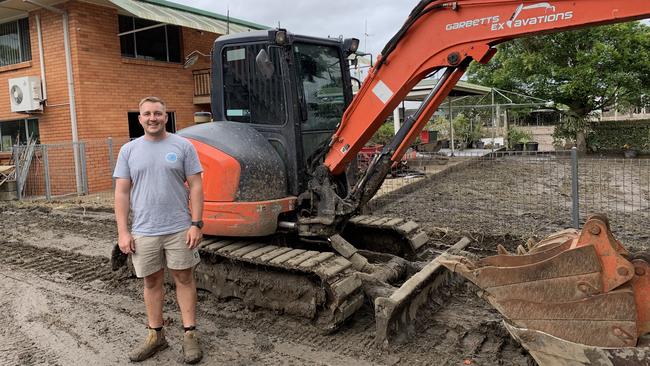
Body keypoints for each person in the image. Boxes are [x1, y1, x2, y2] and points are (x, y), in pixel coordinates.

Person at [114, 96, 204, 364]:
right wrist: (123, 231)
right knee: (151, 282)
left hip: (179, 228)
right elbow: (121, 193)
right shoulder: (128, 151)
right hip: (144, 230)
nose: (152, 118)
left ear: (166, 117)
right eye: (147, 114)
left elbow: (196, 186)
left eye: (158, 113)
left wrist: (196, 223)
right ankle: (156, 336)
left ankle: (190, 335)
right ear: (139, 119)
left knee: (184, 278)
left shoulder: (183, 146)